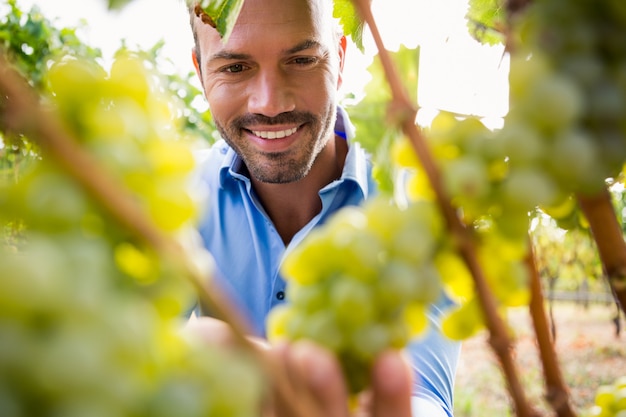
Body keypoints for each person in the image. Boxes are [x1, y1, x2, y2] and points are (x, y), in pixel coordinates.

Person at [185, 0, 461, 415]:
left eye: (301, 59)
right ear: (200, 71)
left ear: (341, 58)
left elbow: (425, 399)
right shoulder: (179, 201)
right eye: (235, 68)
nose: (269, 103)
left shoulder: (416, 206)